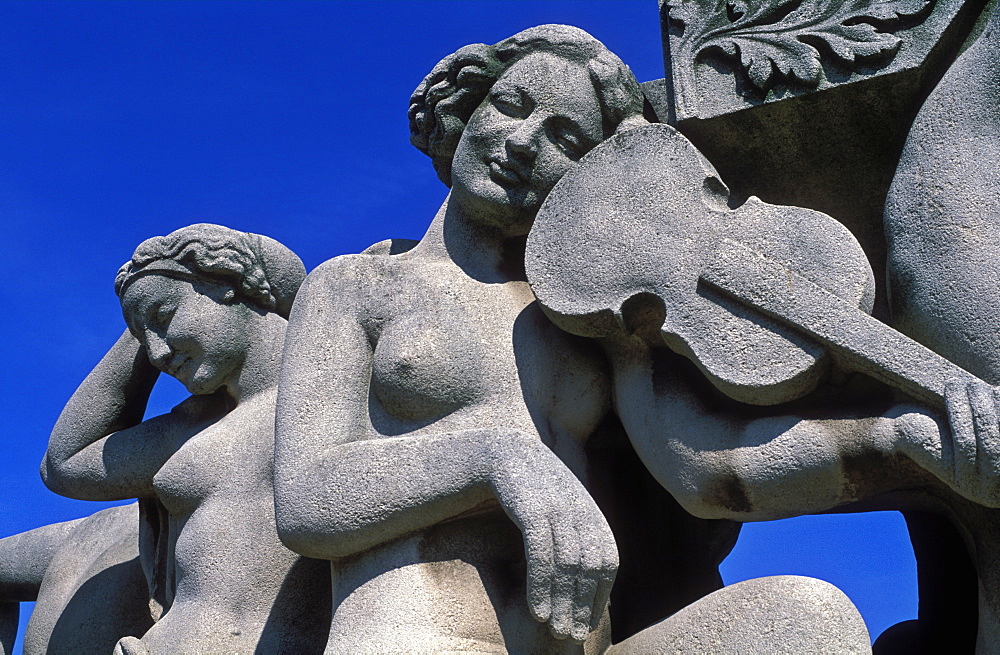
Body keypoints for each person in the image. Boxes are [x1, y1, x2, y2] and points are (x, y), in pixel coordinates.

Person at [274, 24, 872, 653]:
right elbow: (309, 500)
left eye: (565, 139)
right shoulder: (359, 285)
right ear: (466, 108)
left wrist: (898, 429)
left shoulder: (594, 321)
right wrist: (500, 462)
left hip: (584, 644)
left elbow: (707, 469)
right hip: (419, 632)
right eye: (511, 105)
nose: (525, 142)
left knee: (810, 619)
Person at [41, 223, 331, 654]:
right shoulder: (191, 430)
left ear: (226, 285)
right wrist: (142, 309)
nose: (157, 355)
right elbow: (65, 465)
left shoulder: (335, 390)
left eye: (164, 318)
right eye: (144, 341)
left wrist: (160, 283)